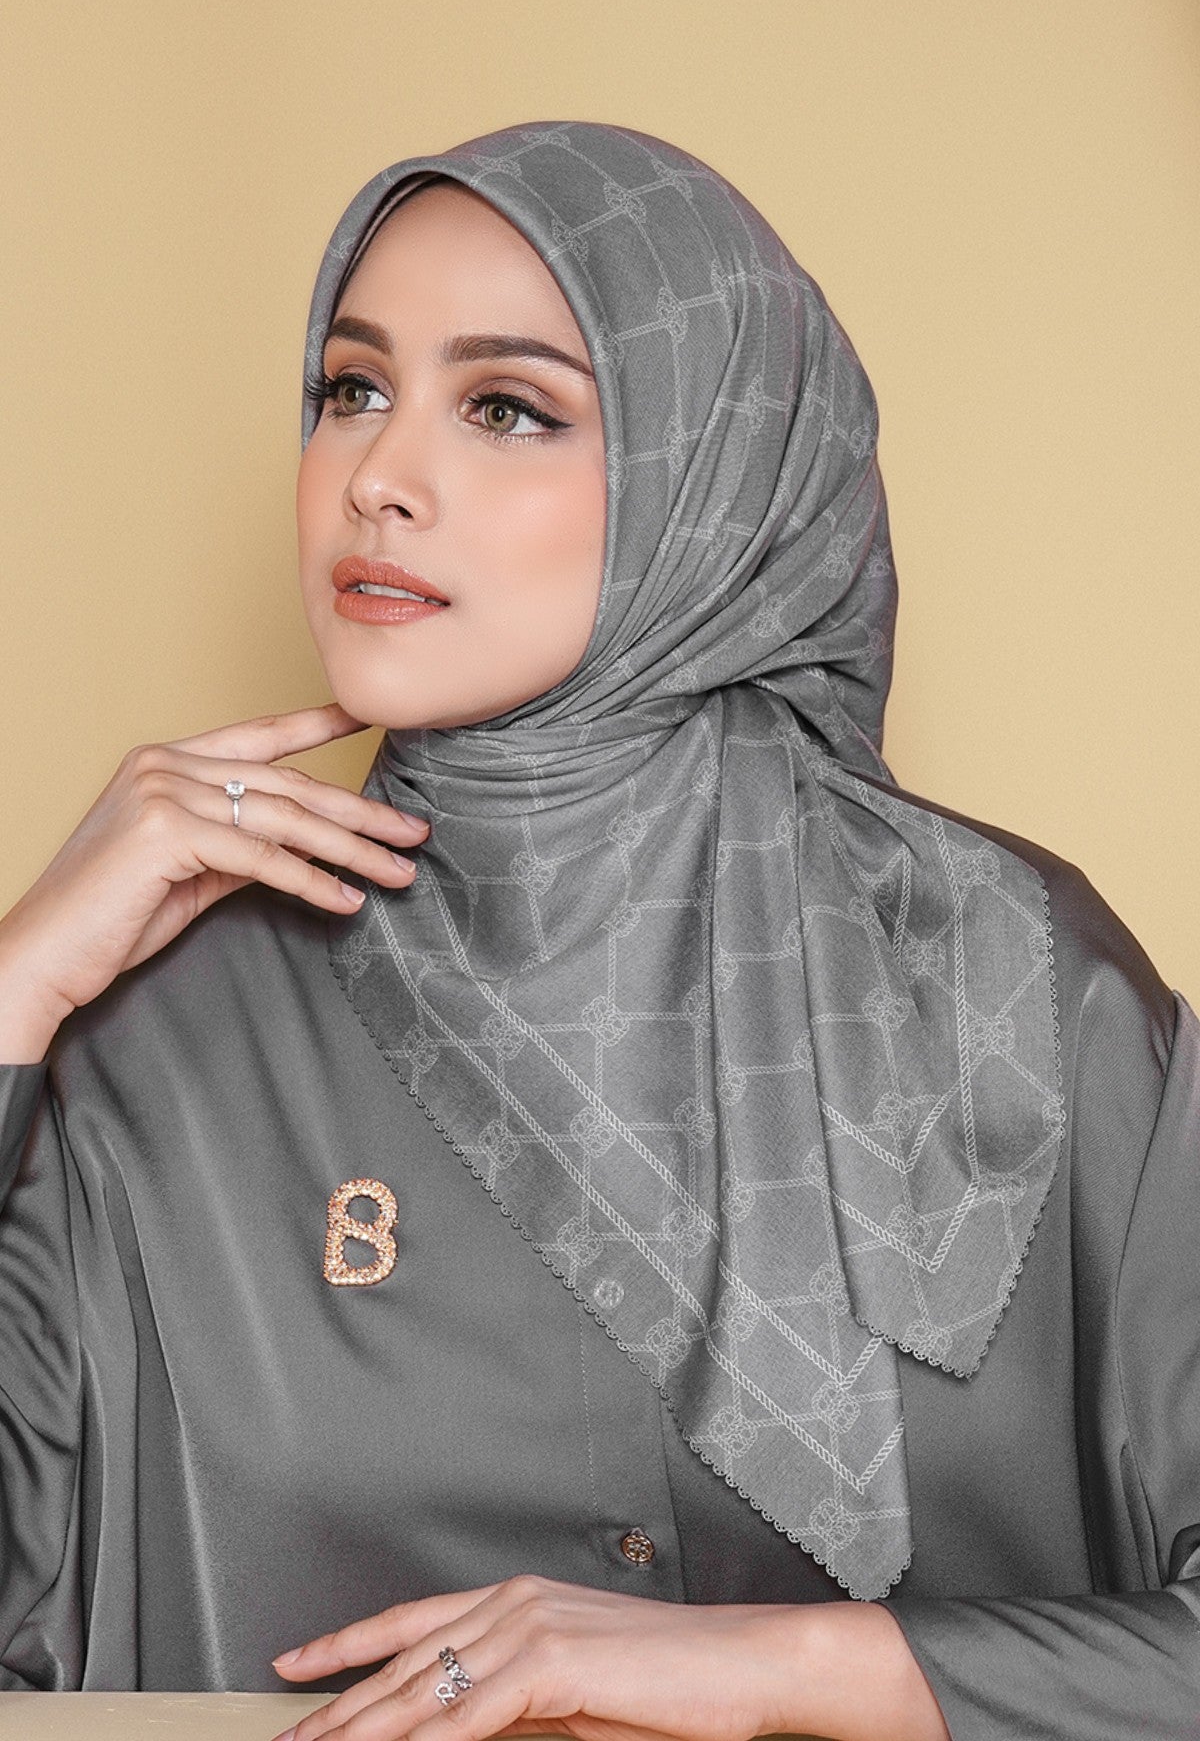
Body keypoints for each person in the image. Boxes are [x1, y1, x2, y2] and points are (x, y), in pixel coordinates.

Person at [0, 122, 1196, 1741]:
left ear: (717, 472)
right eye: (351, 388)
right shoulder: (168, 1038)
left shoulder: (1017, 981)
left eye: (505, 407)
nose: (376, 477)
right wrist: (10, 992)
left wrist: (788, 1668)